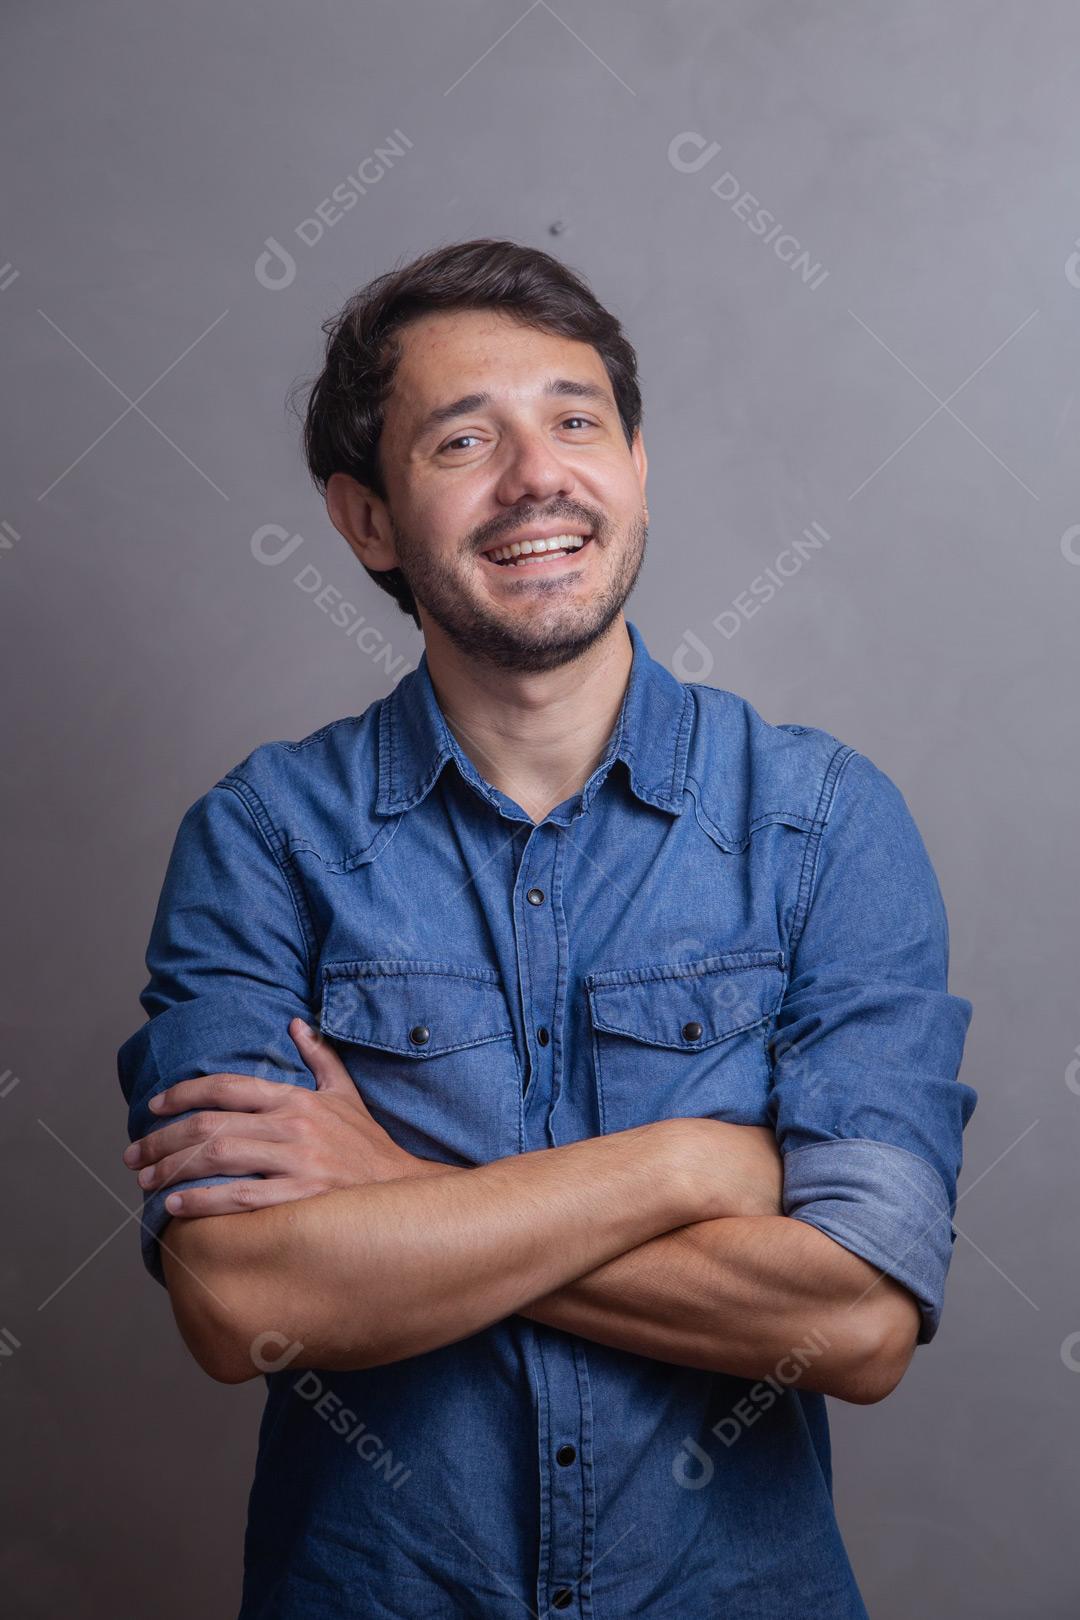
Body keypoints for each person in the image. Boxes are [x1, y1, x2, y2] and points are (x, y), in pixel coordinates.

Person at [117, 238, 977, 1618]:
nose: (537, 476)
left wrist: (391, 1185)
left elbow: (857, 1323)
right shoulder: (263, 839)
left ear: (637, 464)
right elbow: (237, 1299)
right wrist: (692, 1164)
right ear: (367, 520)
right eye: (465, 439)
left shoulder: (825, 823)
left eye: (576, 421)